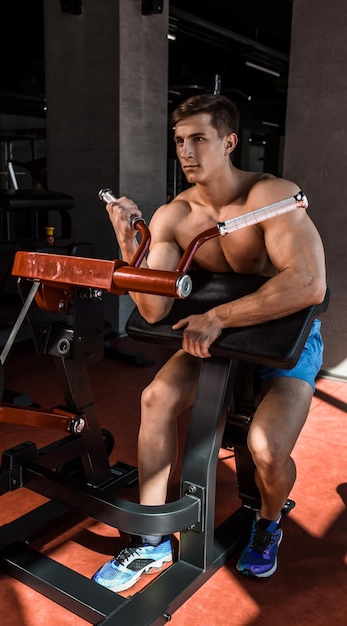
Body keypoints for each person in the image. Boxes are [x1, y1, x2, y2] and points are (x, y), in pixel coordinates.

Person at [92, 93, 326, 592]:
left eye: (199, 138)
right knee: (155, 398)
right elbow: (153, 308)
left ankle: (267, 524)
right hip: (212, 341)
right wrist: (129, 245)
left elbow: (308, 283)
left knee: (265, 448)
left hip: (284, 340)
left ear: (230, 141)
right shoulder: (174, 216)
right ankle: (152, 541)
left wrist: (217, 315)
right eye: (179, 141)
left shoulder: (272, 196)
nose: (187, 151)